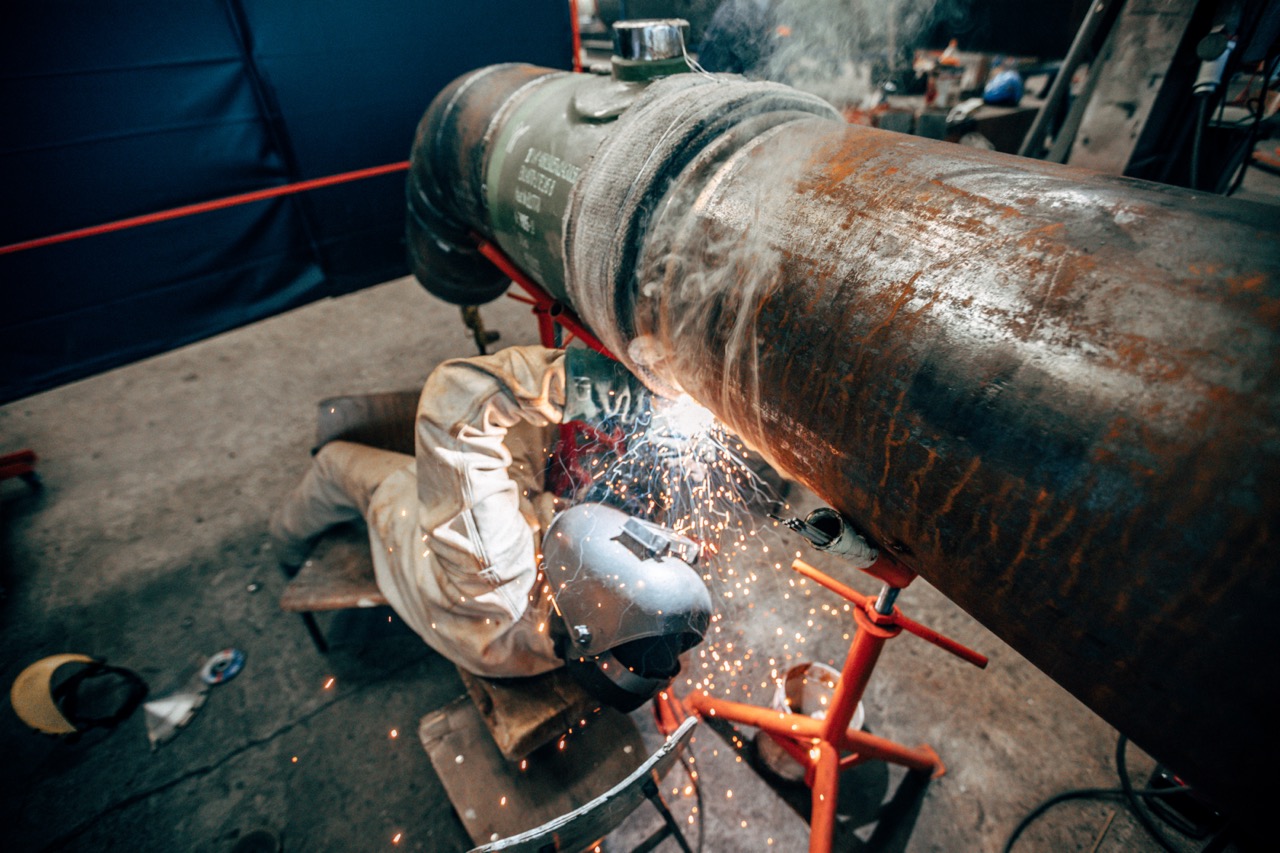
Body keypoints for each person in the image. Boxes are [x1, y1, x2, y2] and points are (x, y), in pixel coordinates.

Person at [269, 345, 712, 709]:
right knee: (539, 429)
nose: (649, 540)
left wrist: (590, 386)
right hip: (521, 622)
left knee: (336, 464)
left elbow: (456, 400)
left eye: (636, 549)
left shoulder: (496, 567)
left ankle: (285, 552)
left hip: (433, 560)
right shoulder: (594, 625)